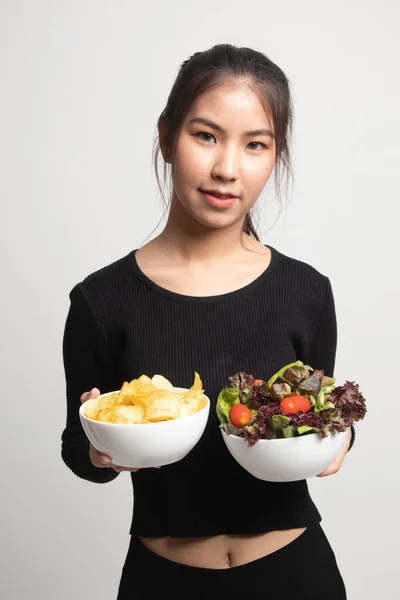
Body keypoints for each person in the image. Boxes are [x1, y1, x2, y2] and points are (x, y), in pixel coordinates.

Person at [61, 44, 355, 599]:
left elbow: (321, 414)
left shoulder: (306, 291)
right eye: (206, 135)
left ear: (275, 156)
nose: (226, 168)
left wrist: (339, 440)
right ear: (167, 135)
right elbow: (79, 449)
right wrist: (98, 449)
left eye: (255, 145)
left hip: (295, 573)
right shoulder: (101, 300)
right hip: (164, 579)